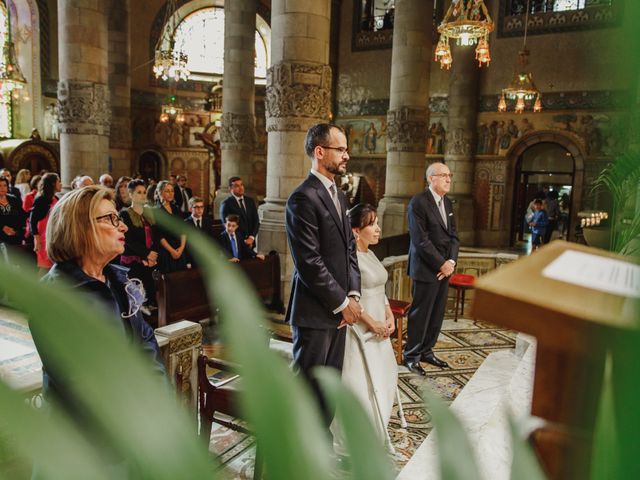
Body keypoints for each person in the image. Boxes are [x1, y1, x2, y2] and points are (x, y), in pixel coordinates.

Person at [33, 185, 165, 459]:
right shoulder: (53, 298)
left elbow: (146, 342)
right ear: (79, 228)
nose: (123, 227)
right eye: (110, 219)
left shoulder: (118, 280)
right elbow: (82, 382)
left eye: (119, 217)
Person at [285, 123, 361, 425]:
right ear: (320, 151)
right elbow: (309, 262)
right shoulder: (303, 198)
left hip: (340, 312)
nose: (346, 155)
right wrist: (343, 303)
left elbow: (349, 251)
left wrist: (353, 294)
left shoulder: (340, 196)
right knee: (308, 390)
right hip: (316, 312)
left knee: (330, 388)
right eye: (340, 149)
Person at [331, 203, 397, 456]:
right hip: (360, 331)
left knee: (384, 380)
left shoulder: (370, 253)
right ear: (356, 231)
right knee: (360, 388)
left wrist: (389, 315)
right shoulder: (351, 259)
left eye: (377, 222)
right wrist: (373, 323)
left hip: (380, 330)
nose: (378, 228)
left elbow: (379, 291)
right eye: (372, 224)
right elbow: (351, 300)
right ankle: (350, 448)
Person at [404, 162, 459, 375]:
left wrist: (451, 263)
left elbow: (454, 236)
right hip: (427, 268)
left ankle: (427, 351)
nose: (448, 179)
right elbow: (421, 240)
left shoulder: (448, 203)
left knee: (437, 313)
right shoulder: (418, 202)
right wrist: (441, 264)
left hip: (445, 269)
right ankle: (412, 355)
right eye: (443, 175)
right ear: (430, 179)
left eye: (449, 175)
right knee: (421, 314)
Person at [120, 179, 158, 309]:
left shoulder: (149, 212)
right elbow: (129, 239)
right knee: (137, 299)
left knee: (150, 296)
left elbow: (155, 236)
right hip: (134, 261)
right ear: (131, 195)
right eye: (139, 192)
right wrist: (146, 254)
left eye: (144, 192)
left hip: (149, 261)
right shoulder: (125, 214)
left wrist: (153, 254)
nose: (143, 195)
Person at [153, 180, 188, 273]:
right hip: (166, 251)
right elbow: (159, 235)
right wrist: (172, 251)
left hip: (179, 249)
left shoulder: (176, 209)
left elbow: (183, 230)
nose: (170, 193)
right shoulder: (156, 211)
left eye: (172, 191)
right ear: (160, 192)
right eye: (167, 191)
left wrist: (181, 248)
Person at [30, 173, 62, 272]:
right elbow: (33, 220)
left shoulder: (56, 198)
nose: (61, 184)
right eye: (59, 181)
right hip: (43, 238)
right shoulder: (41, 199)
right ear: (53, 184)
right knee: (45, 267)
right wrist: (37, 239)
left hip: (53, 237)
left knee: (53, 267)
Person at [219, 176, 260, 250]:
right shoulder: (226, 204)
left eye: (241, 185)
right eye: (237, 186)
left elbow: (256, 221)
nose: (241, 188)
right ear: (230, 189)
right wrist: (242, 240)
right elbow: (226, 225)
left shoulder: (250, 201)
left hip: (251, 242)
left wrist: (251, 237)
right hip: (236, 243)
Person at [0, 176, 25, 253]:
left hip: (15, 235)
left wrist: (17, 231)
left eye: (5, 185)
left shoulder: (14, 199)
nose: (2, 188)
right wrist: (3, 227)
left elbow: (22, 215)